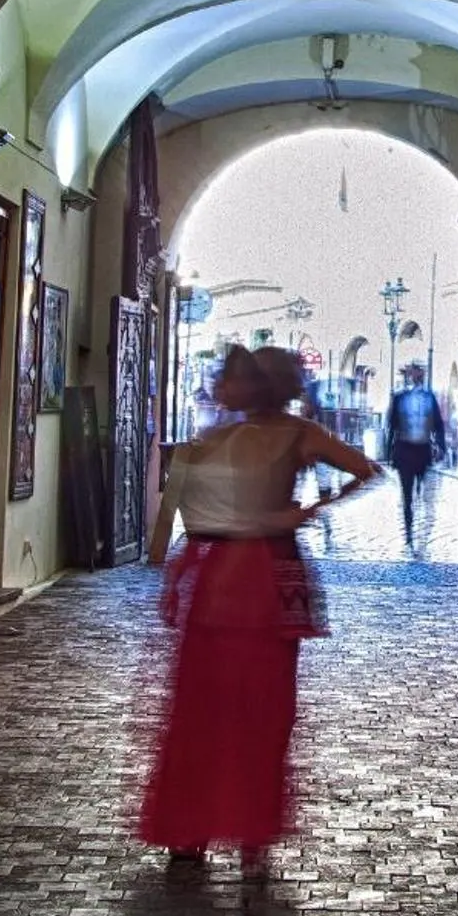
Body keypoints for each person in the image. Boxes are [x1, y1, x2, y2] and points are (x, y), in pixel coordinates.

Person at [138, 345, 381, 875]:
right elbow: (365, 469)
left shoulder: (213, 439)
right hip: (271, 573)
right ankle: (251, 826)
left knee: (202, 699)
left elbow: (184, 519)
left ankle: (191, 826)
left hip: (216, 572)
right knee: (265, 704)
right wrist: (309, 510)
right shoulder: (296, 435)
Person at [385, 363, 447, 549]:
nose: (417, 376)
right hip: (405, 450)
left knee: (420, 489)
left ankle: (415, 518)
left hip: (422, 449)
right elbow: (392, 425)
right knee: (407, 493)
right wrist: (390, 451)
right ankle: (409, 526)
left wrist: (441, 446)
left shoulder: (429, 398)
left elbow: (438, 424)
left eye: (420, 372)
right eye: (415, 372)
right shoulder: (400, 397)